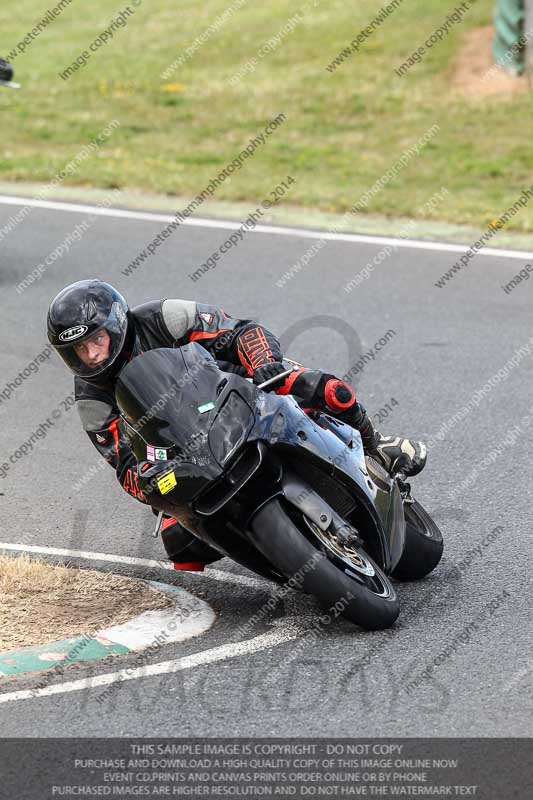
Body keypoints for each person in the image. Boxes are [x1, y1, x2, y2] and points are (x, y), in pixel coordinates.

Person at [47, 279, 426, 570]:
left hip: (242, 390)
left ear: (114, 323)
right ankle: (274, 550)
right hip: (183, 452)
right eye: (79, 350)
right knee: (181, 549)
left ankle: (376, 445)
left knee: (329, 391)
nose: (92, 355)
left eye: (96, 339)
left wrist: (264, 364)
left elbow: (239, 331)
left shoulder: (165, 317)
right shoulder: (91, 400)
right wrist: (145, 481)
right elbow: (123, 464)